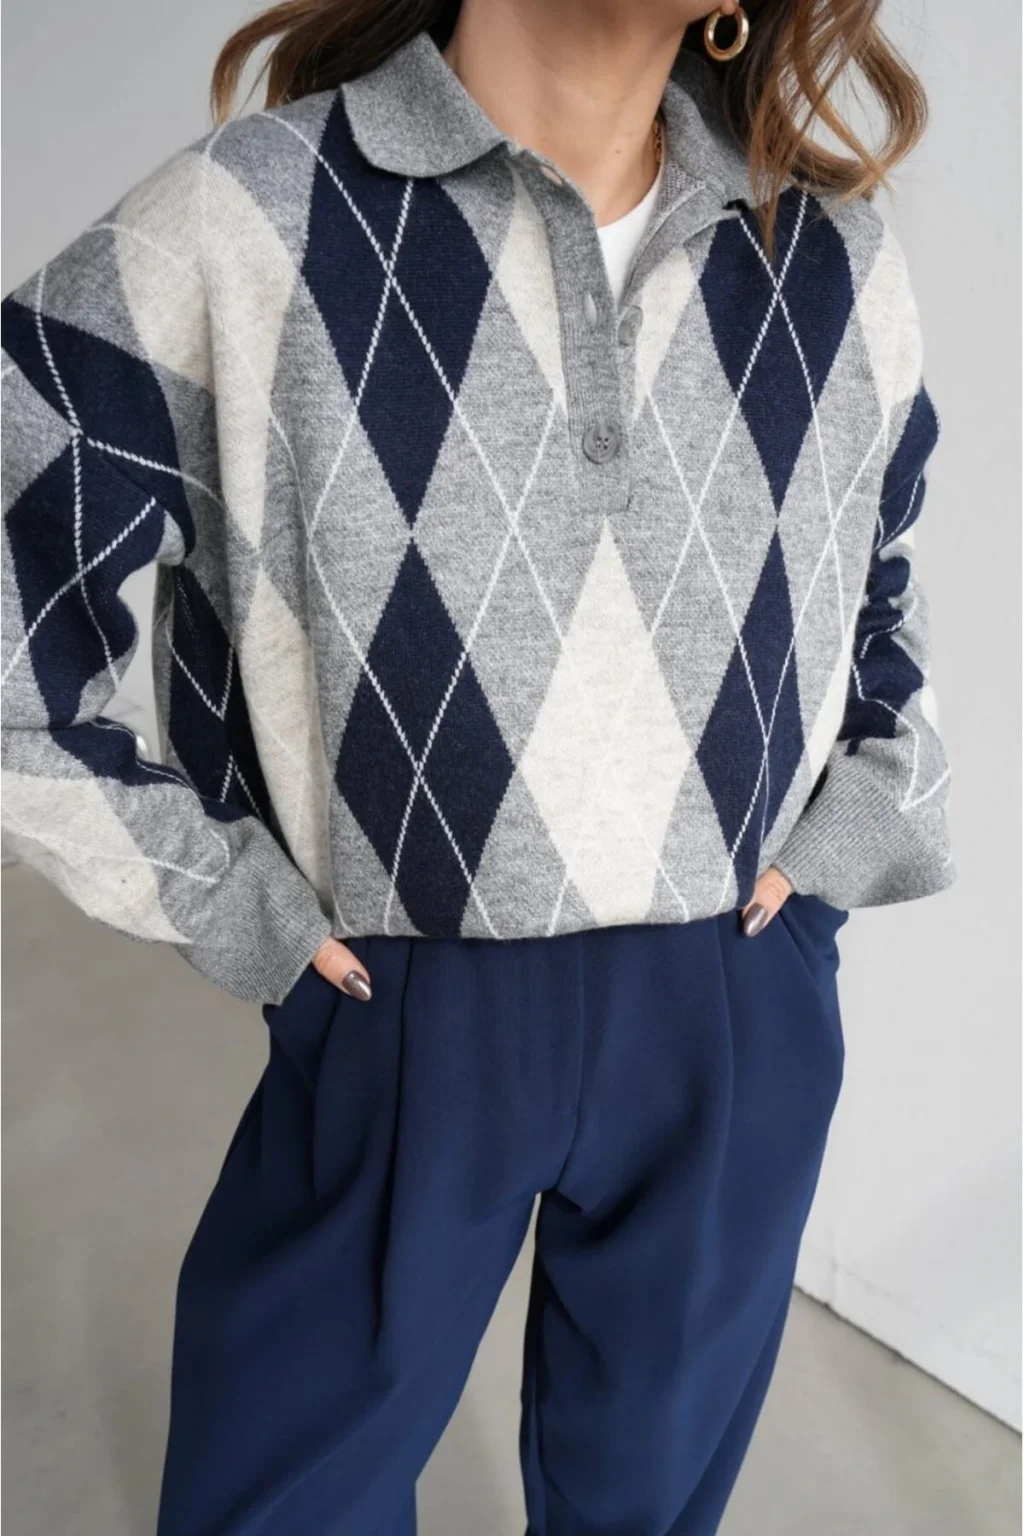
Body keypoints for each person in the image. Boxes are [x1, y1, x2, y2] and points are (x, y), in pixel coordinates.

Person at [0, 0, 956, 1530]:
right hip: (401, 996)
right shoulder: (250, 218)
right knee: (282, 1497)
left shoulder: (833, 257)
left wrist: (854, 829)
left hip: (733, 995)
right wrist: (228, 894)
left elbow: (880, 585)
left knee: (649, 1506)